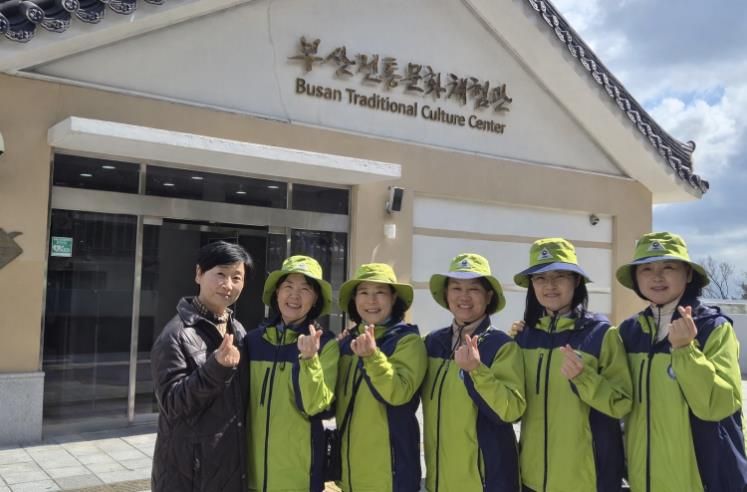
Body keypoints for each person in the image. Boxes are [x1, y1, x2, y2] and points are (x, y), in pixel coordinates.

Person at [615, 232, 747, 492]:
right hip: (644, 478)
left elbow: (720, 405)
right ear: (636, 278)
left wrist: (686, 351)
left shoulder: (713, 327)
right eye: (646, 269)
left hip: (702, 479)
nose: (657, 276)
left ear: (687, 274)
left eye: (668, 267)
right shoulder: (629, 331)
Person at [510, 238, 632, 492]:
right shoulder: (523, 338)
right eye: (540, 278)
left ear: (576, 281)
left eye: (560, 276)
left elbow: (622, 403)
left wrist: (585, 378)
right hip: (532, 478)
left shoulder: (601, 334)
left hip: (588, 480)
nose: (549, 285)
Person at [150, 241, 253, 492]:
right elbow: (172, 404)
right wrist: (215, 367)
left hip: (229, 465)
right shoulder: (175, 335)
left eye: (236, 277)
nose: (228, 285)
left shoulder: (238, 329)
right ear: (199, 274)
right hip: (189, 473)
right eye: (220, 274)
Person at [422, 253, 526, 492]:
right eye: (456, 288)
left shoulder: (502, 346)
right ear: (446, 295)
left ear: (488, 296)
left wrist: (476, 371)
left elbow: (512, 410)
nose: (464, 296)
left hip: (488, 483)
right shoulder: (431, 343)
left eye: (474, 289)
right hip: (440, 481)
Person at [245, 255, 339, 492]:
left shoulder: (326, 345)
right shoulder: (252, 341)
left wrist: (309, 360)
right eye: (288, 286)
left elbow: (316, 405)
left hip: (299, 477)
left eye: (305, 289)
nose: (294, 295)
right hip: (250, 474)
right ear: (277, 292)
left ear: (315, 299)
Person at [335, 263, 427, 492]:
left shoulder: (408, 341)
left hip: (392, 477)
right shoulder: (346, 342)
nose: (371, 300)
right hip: (350, 476)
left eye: (380, 292)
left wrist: (372, 357)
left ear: (394, 297)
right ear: (354, 299)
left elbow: (398, 393)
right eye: (364, 292)